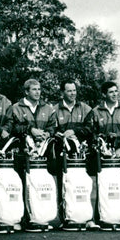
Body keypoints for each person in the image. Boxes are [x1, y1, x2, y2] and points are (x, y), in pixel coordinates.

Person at [81, 81, 120, 229]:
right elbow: (90, 132)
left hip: (119, 154)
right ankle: (102, 218)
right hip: (102, 156)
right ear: (104, 94)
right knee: (102, 185)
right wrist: (101, 145)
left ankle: (118, 217)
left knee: (119, 186)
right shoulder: (95, 111)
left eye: (116, 91)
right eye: (111, 92)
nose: (114, 94)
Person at [47, 79, 91, 219]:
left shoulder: (85, 108)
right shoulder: (53, 109)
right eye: (69, 91)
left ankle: (83, 215)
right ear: (62, 93)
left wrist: (75, 132)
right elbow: (51, 129)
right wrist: (59, 134)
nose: (73, 93)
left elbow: (90, 128)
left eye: (74, 90)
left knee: (82, 185)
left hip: (81, 154)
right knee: (63, 183)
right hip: (62, 153)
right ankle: (65, 216)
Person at [9, 78, 56, 176]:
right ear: (26, 91)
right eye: (34, 89)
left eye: (39, 89)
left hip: (43, 154)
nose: (37, 92)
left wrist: (47, 134)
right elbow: (13, 128)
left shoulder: (48, 109)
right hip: (22, 154)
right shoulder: (15, 108)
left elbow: (53, 127)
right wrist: (30, 130)